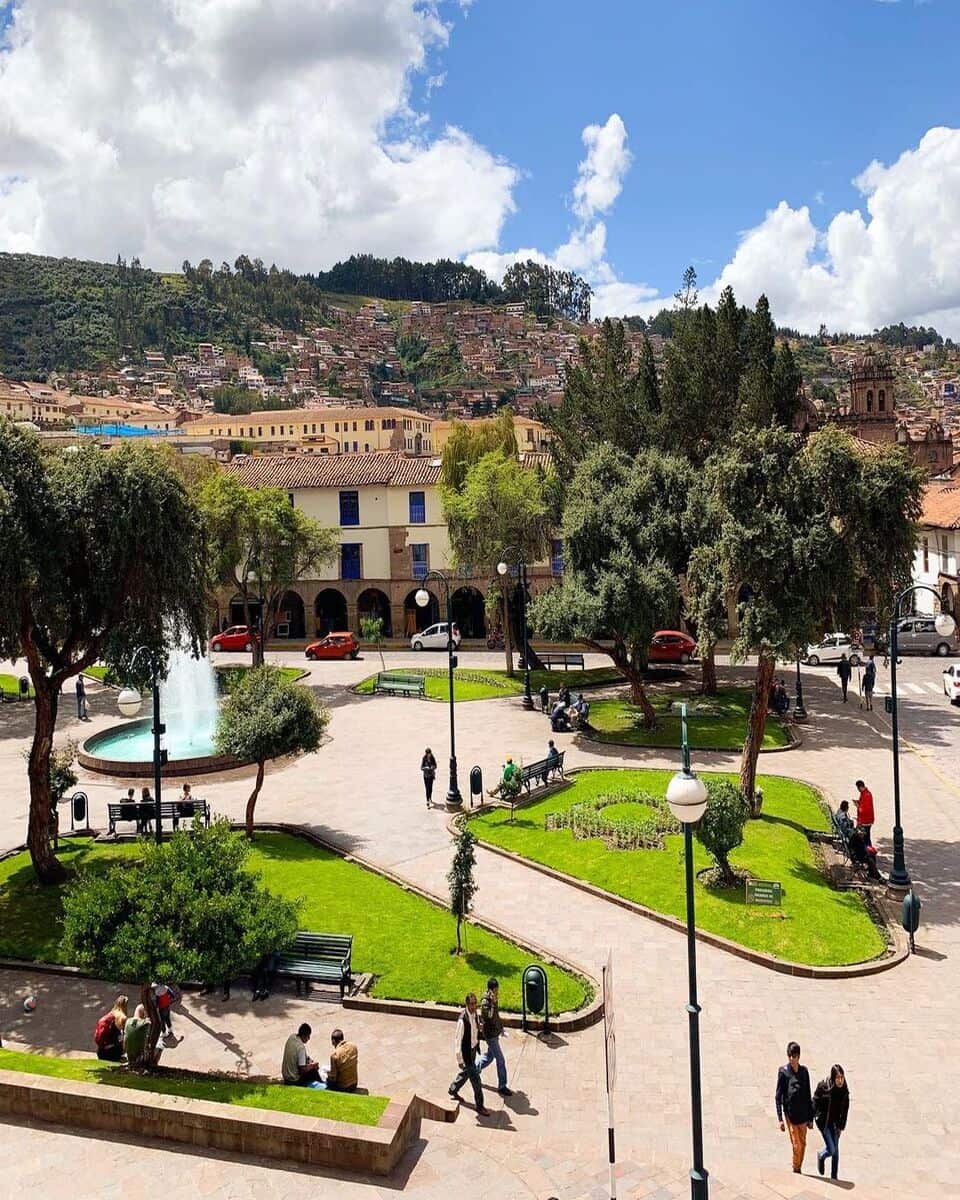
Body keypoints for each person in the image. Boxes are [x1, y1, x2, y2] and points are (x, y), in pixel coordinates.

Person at [775, 1040, 814, 1174]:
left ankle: (798, 1167)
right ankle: (795, 1167)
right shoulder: (783, 1072)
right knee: (796, 1145)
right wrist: (780, 1118)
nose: (792, 1059)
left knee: (803, 1145)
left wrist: (810, 1118)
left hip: (803, 1115)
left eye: (794, 1056)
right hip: (790, 1115)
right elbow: (778, 1096)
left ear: (798, 1057)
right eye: (790, 1056)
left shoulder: (804, 1072)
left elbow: (808, 1094)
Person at [448, 992, 487, 1115]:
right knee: (476, 1080)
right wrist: (460, 1060)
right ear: (466, 1004)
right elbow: (457, 1041)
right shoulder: (462, 1020)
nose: (474, 1006)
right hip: (466, 1054)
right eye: (471, 1004)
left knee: (466, 1073)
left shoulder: (475, 1014)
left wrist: (480, 1028)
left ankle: (453, 1089)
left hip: (473, 1049)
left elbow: (475, 1031)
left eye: (475, 1004)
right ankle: (480, 1106)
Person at [476, 977, 512, 1097]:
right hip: (490, 1035)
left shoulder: (493, 999)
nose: (497, 992)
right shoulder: (485, 1002)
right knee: (500, 1059)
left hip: (495, 1032)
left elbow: (496, 1015)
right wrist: (492, 1002)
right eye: (496, 990)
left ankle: (474, 1070)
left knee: (490, 1057)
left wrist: (501, 1028)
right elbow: (489, 1016)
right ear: (491, 990)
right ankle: (502, 1086)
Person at [814, 1064, 849, 1180]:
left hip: (835, 1124)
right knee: (832, 1149)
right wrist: (811, 1118)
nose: (840, 1081)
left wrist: (841, 1127)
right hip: (824, 1122)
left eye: (842, 1077)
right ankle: (821, 1155)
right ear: (833, 1078)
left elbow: (845, 1111)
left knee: (836, 1152)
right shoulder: (824, 1087)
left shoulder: (844, 1091)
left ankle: (834, 1177)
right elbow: (815, 1100)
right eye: (838, 1078)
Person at [123, 1003, 162, 1068]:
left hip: (129, 1056)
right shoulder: (145, 1023)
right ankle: (153, 1064)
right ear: (143, 1012)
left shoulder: (128, 1021)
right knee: (160, 1045)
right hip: (140, 1057)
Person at [94, 994, 128, 1062]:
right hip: (112, 1053)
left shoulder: (110, 1014)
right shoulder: (122, 1017)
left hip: (100, 1051)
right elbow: (126, 1036)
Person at [855, 779, 875, 846]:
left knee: (866, 838)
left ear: (860, 787)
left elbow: (865, 809)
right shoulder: (864, 794)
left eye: (858, 788)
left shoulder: (867, 795)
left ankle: (869, 853)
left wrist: (858, 806)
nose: (858, 790)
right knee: (865, 837)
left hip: (866, 820)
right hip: (864, 819)